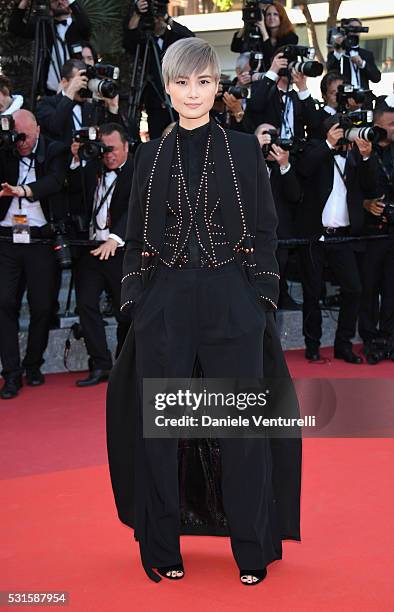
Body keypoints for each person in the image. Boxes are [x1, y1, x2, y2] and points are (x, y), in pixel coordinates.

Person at [107, 37, 301, 586]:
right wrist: (137, 301)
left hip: (231, 302)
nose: (192, 94)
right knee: (161, 434)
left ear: (218, 88)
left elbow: (265, 229)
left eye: (203, 82)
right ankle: (162, 546)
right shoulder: (148, 155)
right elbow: (136, 236)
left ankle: (252, 548)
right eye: (181, 83)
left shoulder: (243, 150)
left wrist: (259, 295)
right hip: (165, 304)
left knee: (241, 431)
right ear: (167, 89)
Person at [295, 117, 377, 362]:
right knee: (312, 292)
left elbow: (370, 187)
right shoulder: (315, 150)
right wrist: (328, 145)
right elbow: (303, 169)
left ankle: (343, 344)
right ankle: (312, 345)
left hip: (342, 237)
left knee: (354, 289)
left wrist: (365, 157)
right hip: (315, 237)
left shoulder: (353, 157)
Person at [0, 110, 67, 399]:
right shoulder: (6, 149)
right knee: (4, 304)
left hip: (40, 241)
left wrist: (23, 190)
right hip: (6, 241)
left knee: (42, 307)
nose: (22, 142)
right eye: (18, 137)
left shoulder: (54, 150)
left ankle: (33, 364)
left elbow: (54, 181)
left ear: (37, 129)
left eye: (26, 136)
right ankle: (11, 374)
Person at [68, 123, 132, 386]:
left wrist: (115, 239)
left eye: (113, 149)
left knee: (125, 312)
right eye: (104, 150)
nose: (108, 155)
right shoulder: (91, 166)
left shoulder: (139, 171)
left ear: (127, 145)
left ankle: (124, 365)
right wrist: (76, 161)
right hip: (91, 250)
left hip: (121, 252)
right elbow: (72, 194)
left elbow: (138, 209)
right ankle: (101, 364)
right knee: (85, 305)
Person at [123, 0, 195, 139]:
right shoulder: (145, 41)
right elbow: (128, 41)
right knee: (158, 141)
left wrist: (168, 19)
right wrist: (137, 14)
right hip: (154, 100)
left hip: (177, 99)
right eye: (153, 18)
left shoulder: (175, 37)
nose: (155, 21)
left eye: (157, 18)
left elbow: (190, 37)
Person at [358, 96, 394, 348]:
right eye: (391, 124)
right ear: (378, 126)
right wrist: (365, 204)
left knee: (391, 288)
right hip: (370, 233)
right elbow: (351, 188)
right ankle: (369, 336)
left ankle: (389, 336)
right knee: (368, 287)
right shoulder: (362, 150)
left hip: (392, 231)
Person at [255, 123, 301, 310]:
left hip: (278, 236)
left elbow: (295, 196)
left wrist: (284, 165)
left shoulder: (284, 166)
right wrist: (253, 152)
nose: (269, 140)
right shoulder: (244, 162)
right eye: (264, 135)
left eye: (273, 135)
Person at [9, 0, 91, 95]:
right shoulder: (44, 28)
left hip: (78, 90)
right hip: (50, 93)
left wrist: (71, 2)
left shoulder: (79, 28)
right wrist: (24, 2)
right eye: (55, 0)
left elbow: (86, 25)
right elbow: (15, 27)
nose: (60, 2)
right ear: (50, 8)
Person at [36, 59, 121, 147]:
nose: (84, 85)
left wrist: (113, 107)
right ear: (65, 82)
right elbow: (54, 127)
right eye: (80, 80)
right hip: (61, 159)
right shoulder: (46, 103)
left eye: (86, 81)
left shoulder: (92, 108)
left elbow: (109, 137)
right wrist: (71, 92)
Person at [231, 1, 298, 72]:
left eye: (275, 14)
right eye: (268, 14)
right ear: (264, 17)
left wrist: (263, 30)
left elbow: (273, 57)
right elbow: (236, 47)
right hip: (262, 75)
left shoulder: (290, 37)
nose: (271, 17)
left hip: (281, 76)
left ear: (281, 17)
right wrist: (246, 24)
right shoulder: (259, 34)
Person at [326, 18, 381, 90]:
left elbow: (376, 78)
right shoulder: (336, 53)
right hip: (344, 96)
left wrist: (362, 64)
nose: (355, 32)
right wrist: (338, 51)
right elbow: (330, 73)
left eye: (358, 29)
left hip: (363, 97)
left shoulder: (367, 54)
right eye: (352, 28)